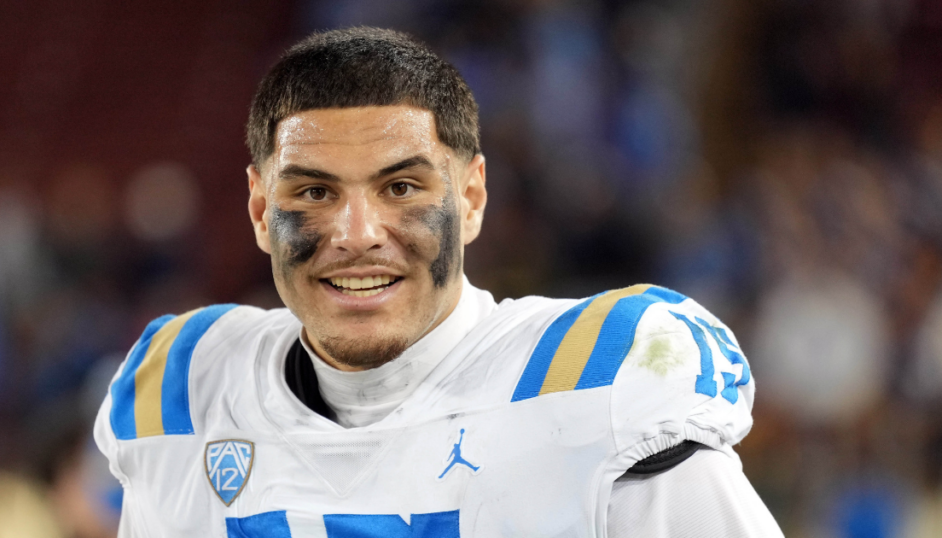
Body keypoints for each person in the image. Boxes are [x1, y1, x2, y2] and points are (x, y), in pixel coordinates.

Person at [94, 27, 783, 537]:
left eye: (400, 187)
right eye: (312, 192)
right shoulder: (185, 393)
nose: (357, 233)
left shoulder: (601, 390)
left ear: (472, 198)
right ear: (258, 210)